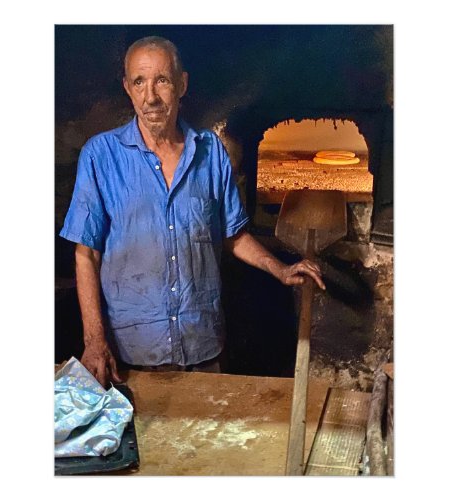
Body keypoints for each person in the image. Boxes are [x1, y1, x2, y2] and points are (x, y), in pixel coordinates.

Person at [60, 36, 325, 387]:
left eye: (162, 81)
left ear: (181, 84)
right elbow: (87, 255)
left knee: (206, 438)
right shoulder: (100, 156)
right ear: (127, 88)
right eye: (139, 82)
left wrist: (281, 269)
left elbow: (233, 234)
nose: (151, 96)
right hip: (130, 354)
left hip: (203, 346)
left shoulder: (210, 152)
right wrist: (94, 342)